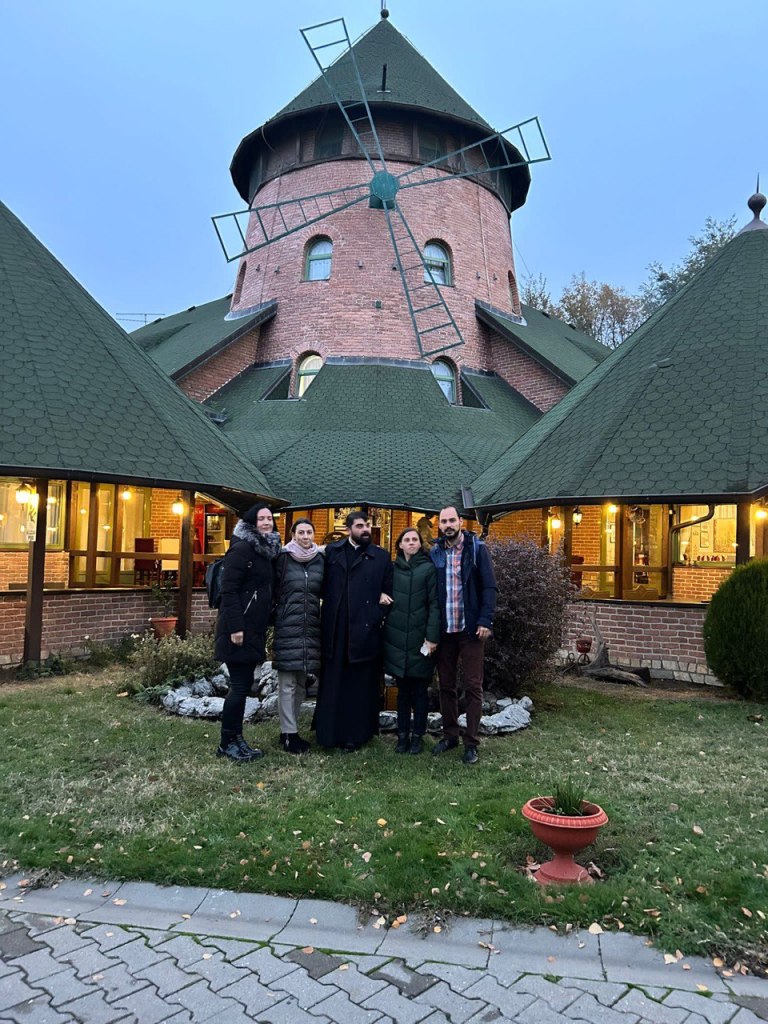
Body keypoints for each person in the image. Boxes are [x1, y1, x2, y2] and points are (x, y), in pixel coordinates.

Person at [315, 511, 393, 751]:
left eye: (367, 525)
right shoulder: (332, 553)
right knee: (334, 683)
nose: (366, 529)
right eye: (360, 526)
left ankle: (356, 735)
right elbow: (319, 583)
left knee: (359, 686)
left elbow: (389, 591)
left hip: (364, 630)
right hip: (336, 630)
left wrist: (376, 614)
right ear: (349, 529)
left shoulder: (381, 557)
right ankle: (328, 734)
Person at [430, 505, 497, 765]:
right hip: (445, 631)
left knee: (472, 686)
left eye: (451, 520)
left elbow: (489, 587)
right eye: (443, 521)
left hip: (470, 630)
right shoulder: (436, 552)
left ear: (460, 522)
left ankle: (471, 742)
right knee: (445, 685)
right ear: (439, 525)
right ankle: (450, 736)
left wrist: (485, 620)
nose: (448, 525)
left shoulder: (477, 549)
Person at [214, 504, 281, 762]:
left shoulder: (264, 551)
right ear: (252, 522)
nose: (266, 522)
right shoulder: (242, 549)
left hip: (254, 627)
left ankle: (237, 738)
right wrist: (236, 627)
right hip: (238, 629)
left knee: (243, 686)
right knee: (240, 687)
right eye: (261, 518)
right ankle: (227, 742)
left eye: (269, 519)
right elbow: (228, 590)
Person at [382, 527, 440, 755]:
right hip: (397, 639)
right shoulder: (392, 569)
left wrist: (432, 637)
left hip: (420, 640)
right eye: (407, 539)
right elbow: (381, 592)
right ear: (400, 544)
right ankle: (402, 736)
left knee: (420, 692)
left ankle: (417, 737)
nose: (411, 542)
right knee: (402, 692)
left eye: (415, 539)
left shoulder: (428, 569)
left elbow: (434, 604)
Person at [272, 518, 324, 754]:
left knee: (302, 683)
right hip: (287, 626)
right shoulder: (282, 559)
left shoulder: (319, 560)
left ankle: (289, 731)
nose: (305, 536)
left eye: (309, 532)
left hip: (310, 627)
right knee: (287, 683)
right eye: (301, 532)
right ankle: (289, 733)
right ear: (293, 534)